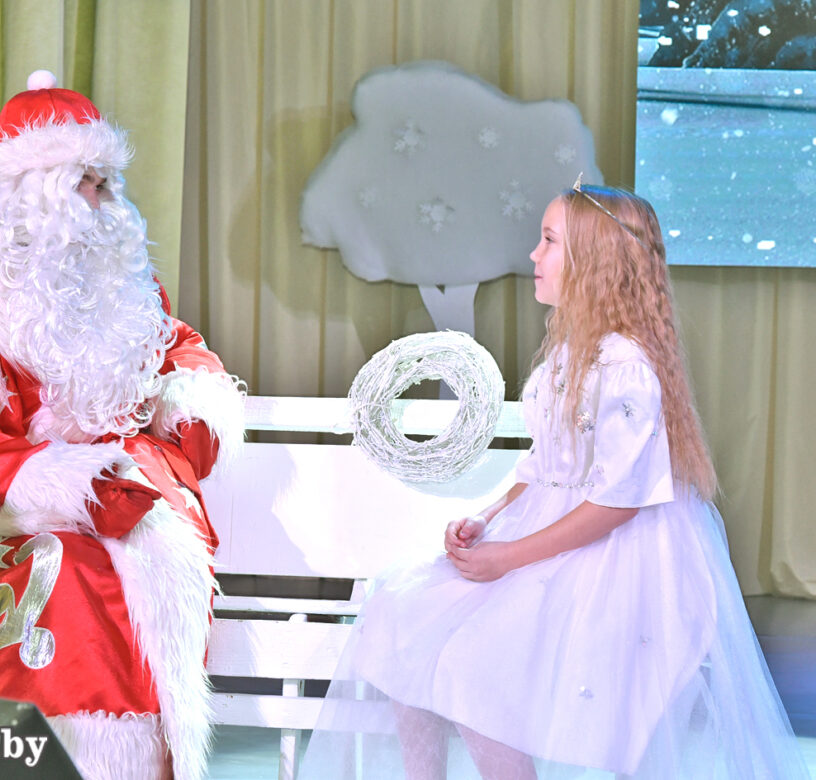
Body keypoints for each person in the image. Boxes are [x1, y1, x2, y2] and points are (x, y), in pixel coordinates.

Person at [299, 182, 810, 778]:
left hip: (608, 555)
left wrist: (508, 556)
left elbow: (617, 504)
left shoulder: (625, 367)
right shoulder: (569, 352)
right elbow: (547, 467)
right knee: (400, 614)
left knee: (475, 666)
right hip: (544, 534)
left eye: (548, 242)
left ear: (593, 262)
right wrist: (487, 517)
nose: (534, 255)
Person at [0, 71, 244, 780]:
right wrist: (65, 481)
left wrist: (186, 406)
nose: (103, 198)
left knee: (129, 556)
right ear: (35, 189)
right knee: (68, 572)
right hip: (9, 507)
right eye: (86, 181)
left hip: (134, 488)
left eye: (107, 181)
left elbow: (177, 348)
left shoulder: (114, 276)